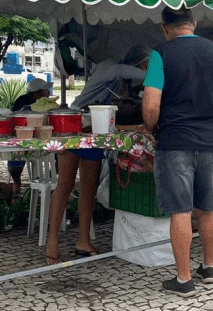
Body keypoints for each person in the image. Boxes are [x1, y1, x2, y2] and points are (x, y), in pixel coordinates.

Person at [142, 8, 213, 296]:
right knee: (207, 207)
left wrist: (150, 127)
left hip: (175, 140)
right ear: (194, 24)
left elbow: (151, 106)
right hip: (209, 140)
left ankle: (183, 280)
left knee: (180, 209)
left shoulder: (160, 54)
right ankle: (208, 267)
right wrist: (210, 118)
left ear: (165, 28)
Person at [44, 44, 150, 265]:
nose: (144, 69)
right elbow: (136, 73)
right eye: (145, 64)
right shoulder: (110, 68)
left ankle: (83, 240)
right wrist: (157, 73)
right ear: (137, 62)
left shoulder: (121, 81)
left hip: (94, 129)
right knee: (65, 183)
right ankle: (51, 241)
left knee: (89, 187)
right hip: (73, 123)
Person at [5, 78, 53, 198]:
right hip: (22, 136)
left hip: (41, 136)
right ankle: (16, 187)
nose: (48, 93)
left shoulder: (47, 104)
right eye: (45, 90)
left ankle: (52, 181)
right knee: (16, 154)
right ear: (37, 93)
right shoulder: (22, 102)